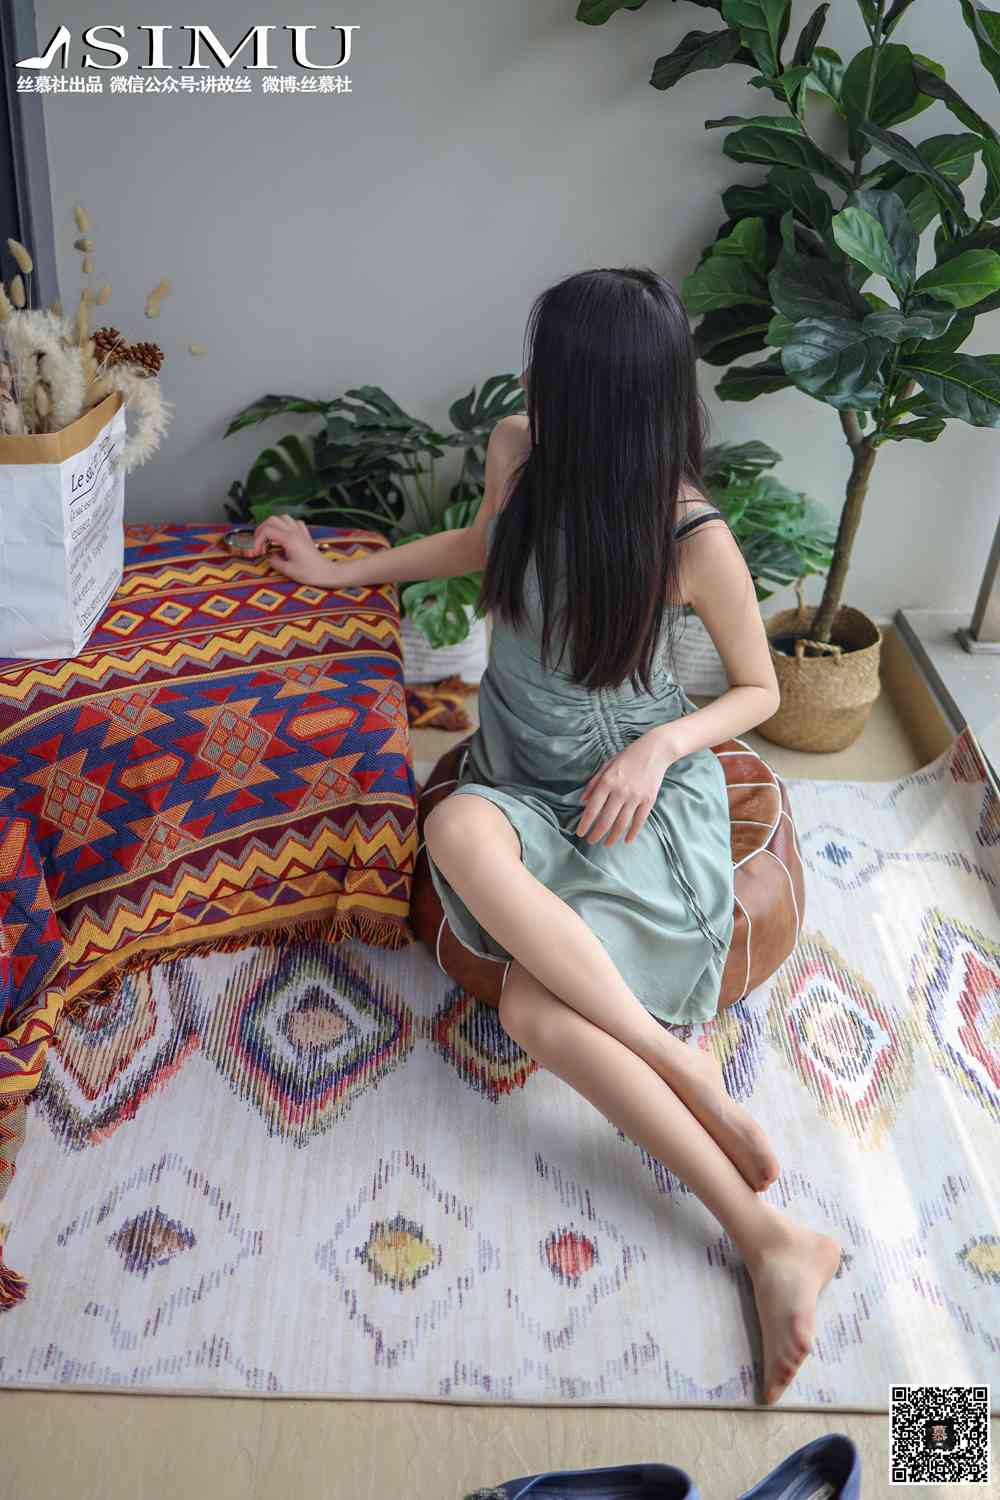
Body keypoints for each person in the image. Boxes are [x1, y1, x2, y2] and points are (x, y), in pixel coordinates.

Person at [250, 267, 842, 1405]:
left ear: (607, 394)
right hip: (520, 777)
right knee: (455, 827)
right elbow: (485, 545)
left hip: (630, 796)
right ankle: (681, 1065)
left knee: (531, 1011)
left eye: (552, 369)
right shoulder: (521, 448)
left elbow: (759, 690)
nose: (529, 384)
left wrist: (660, 748)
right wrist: (341, 569)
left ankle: (767, 1237)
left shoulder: (689, 532)